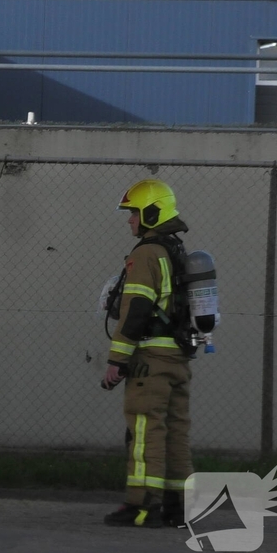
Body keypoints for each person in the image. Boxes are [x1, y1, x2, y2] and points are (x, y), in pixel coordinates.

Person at [100, 179, 193, 528]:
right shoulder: (177, 250)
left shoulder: (146, 253)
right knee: (175, 432)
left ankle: (141, 506)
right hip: (179, 359)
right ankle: (178, 507)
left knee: (144, 431)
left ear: (151, 214)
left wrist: (116, 361)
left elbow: (136, 311)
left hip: (151, 362)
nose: (130, 221)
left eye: (134, 214)